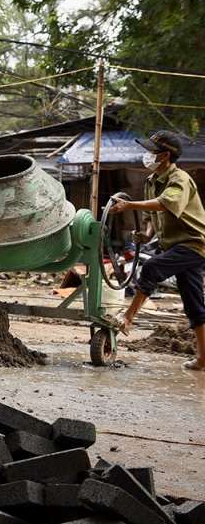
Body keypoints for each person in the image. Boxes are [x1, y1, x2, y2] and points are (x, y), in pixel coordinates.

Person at [106, 130, 205, 371]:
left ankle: (128, 316)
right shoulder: (152, 182)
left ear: (164, 156)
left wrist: (128, 205)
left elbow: (165, 204)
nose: (147, 155)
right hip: (176, 245)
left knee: (151, 266)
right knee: (194, 304)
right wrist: (147, 235)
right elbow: (153, 214)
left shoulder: (178, 179)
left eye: (152, 151)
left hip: (194, 243)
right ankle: (203, 359)